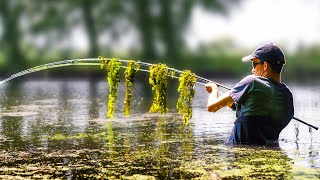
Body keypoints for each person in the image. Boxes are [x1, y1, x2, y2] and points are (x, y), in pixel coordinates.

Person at [205, 43, 294, 145]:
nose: (253, 69)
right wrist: (235, 106)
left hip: (240, 152)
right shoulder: (287, 95)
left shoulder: (252, 81)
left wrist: (214, 89)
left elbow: (212, 107)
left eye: (254, 64)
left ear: (265, 66)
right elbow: (259, 114)